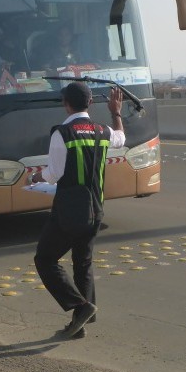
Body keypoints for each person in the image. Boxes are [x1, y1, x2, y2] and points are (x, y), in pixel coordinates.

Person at [30, 81, 124, 338]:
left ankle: (81, 306)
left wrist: (38, 177)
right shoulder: (102, 130)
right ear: (91, 103)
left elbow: (54, 173)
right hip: (95, 207)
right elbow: (121, 138)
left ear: (65, 103)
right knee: (83, 263)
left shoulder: (63, 132)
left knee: (45, 260)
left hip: (69, 210)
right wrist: (116, 112)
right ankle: (82, 321)